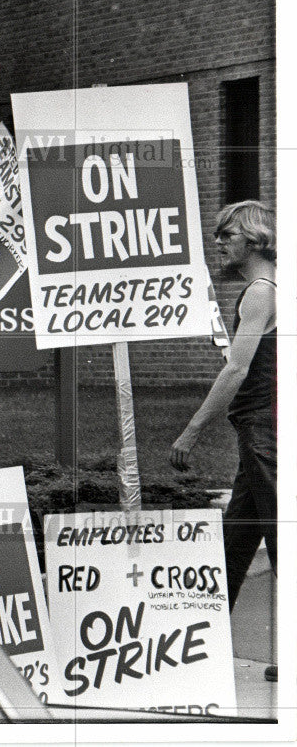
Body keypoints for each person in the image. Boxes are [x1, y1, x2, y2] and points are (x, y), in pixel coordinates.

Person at [169, 200, 276, 682]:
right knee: (236, 540)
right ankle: (203, 644)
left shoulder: (261, 291)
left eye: (228, 234)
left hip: (264, 430)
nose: (220, 241)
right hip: (264, 429)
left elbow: (237, 367)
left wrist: (192, 430)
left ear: (253, 239)